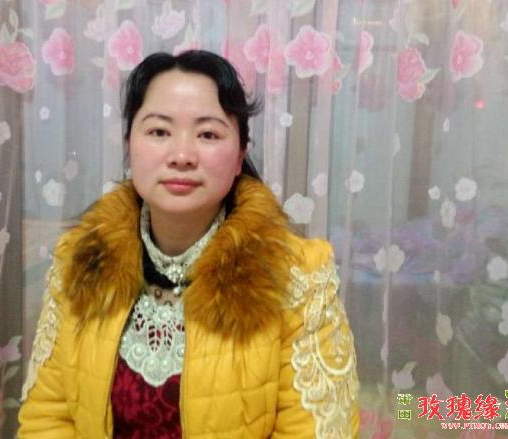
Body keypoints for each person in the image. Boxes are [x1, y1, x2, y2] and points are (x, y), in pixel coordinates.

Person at [18, 50, 359, 438]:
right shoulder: (79, 262)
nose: (182, 156)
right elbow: (48, 417)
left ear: (239, 156)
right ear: (129, 144)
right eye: (159, 132)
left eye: (208, 134)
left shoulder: (297, 279)